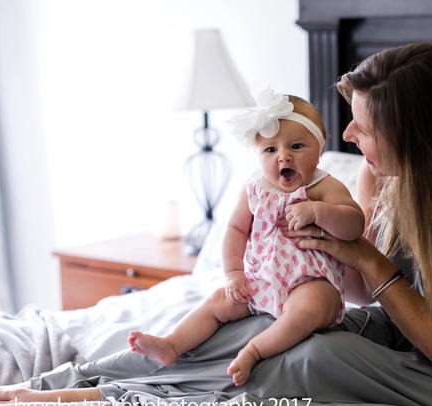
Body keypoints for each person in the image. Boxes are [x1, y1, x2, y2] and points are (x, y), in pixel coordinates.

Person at [0, 43, 432, 406]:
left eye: (362, 127)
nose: (346, 135)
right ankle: (75, 386)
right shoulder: (380, 171)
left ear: (417, 135)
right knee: (243, 327)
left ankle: (124, 402)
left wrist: (359, 251)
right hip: (416, 329)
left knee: (309, 359)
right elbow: (365, 294)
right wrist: (323, 251)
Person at [128, 88, 364, 386]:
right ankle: (172, 344)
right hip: (263, 278)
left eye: (296, 146)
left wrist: (319, 213)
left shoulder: (323, 186)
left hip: (312, 282)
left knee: (306, 311)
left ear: (319, 148)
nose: (284, 156)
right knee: (218, 301)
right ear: (256, 153)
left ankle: (254, 350)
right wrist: (233, 273)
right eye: (270, 150)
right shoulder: (254, 187)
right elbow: (235, 230)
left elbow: (354, 224)